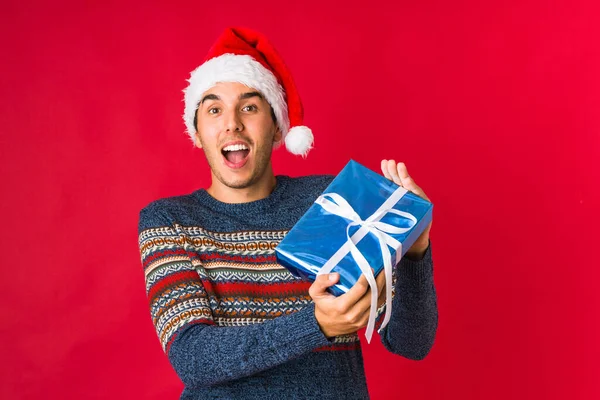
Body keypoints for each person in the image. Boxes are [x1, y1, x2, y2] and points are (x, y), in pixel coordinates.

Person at [137, 27, 438, 400]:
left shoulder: (329, 201)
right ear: (196, 131)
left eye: (249, 107)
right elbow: (195, 358)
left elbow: (412, 342)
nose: (232, 123)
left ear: (277, 126)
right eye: (214, 109)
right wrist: (316, 324)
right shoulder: (168, 221)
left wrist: (413, 248)